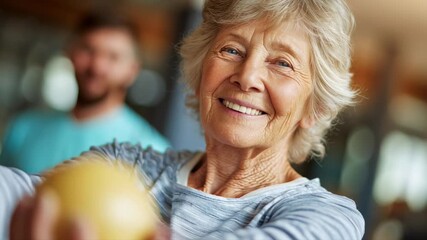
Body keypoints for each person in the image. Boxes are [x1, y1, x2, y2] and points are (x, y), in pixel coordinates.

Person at [0, 0, 365, 239]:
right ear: (200, 72)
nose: (248, 76)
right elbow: (19, 193)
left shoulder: (329, 218)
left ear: (313, 106)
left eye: (282, 63)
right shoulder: (125, 163)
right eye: (232, 50)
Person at [0, 12, 170, 174]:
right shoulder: (23, 129)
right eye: (88, 50)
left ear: (132, 70)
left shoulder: (153, 153)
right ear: (70, 53)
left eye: (113, 57)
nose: (97, 66)